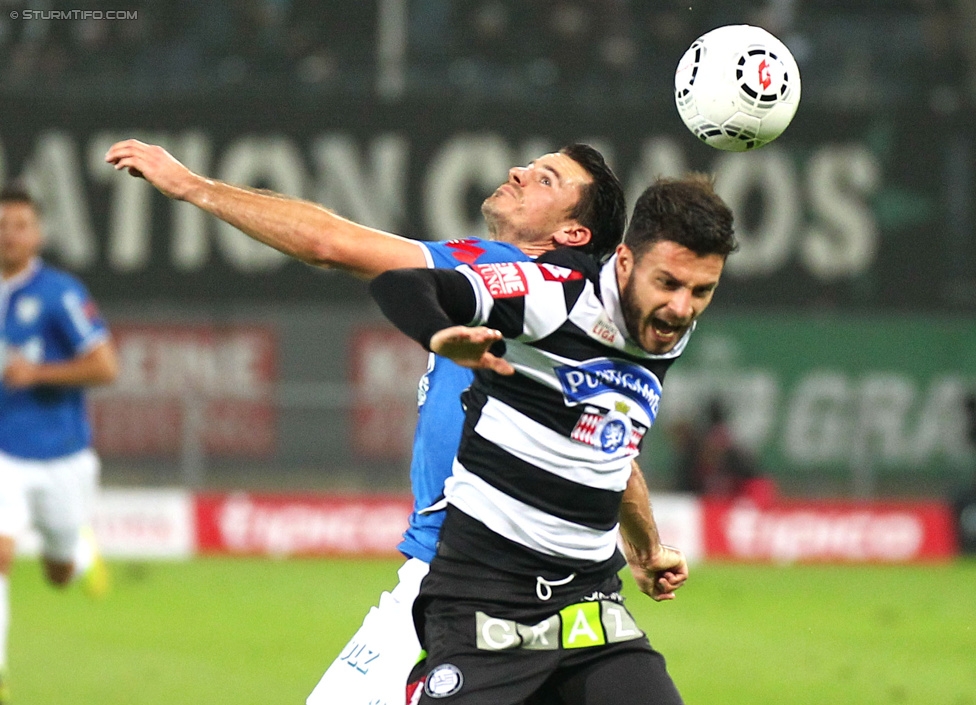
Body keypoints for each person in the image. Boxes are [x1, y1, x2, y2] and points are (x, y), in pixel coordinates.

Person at [104, 139, 688, 705]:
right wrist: (648, 546)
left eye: (545, 179)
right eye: (529, 166)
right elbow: (611, 450)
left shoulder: (503, 270)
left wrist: (194, 188)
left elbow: (330, 244)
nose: (517, 172)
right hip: (555, 592)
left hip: (465, 575)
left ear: (571, 235)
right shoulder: (585, 317)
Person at [369, 173, 737, 704]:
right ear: (626, 263)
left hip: (589, 608)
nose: (682, 308)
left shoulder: (666, 328)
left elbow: (612, 448)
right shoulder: (552, 297)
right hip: (483, 602)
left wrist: (647, 549)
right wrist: (439, 333)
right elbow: (400, 282)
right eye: (669, 284)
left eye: (702, 291)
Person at [0, 185, 118, 704]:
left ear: (38, 233)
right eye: (2, 224)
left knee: (57, 573)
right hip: (5, 453)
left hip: (62, 455)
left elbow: (105, 366)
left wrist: (39, 373)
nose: (9, 234)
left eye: (20, 224)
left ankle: (77, 551)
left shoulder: (59, 293)